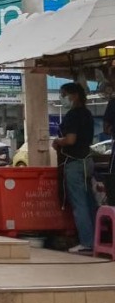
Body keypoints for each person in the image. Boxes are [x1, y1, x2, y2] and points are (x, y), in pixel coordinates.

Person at [52, 81, 98, 254]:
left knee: (79, 204)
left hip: (75, 162)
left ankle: (87, 242)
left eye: (64, 95)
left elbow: (70, 140)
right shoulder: (87, 113)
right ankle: (98, 239)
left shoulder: (72, 115)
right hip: (87, 161)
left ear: (75, 95)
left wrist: (58, 141)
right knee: (90, 202)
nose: (62, 98)